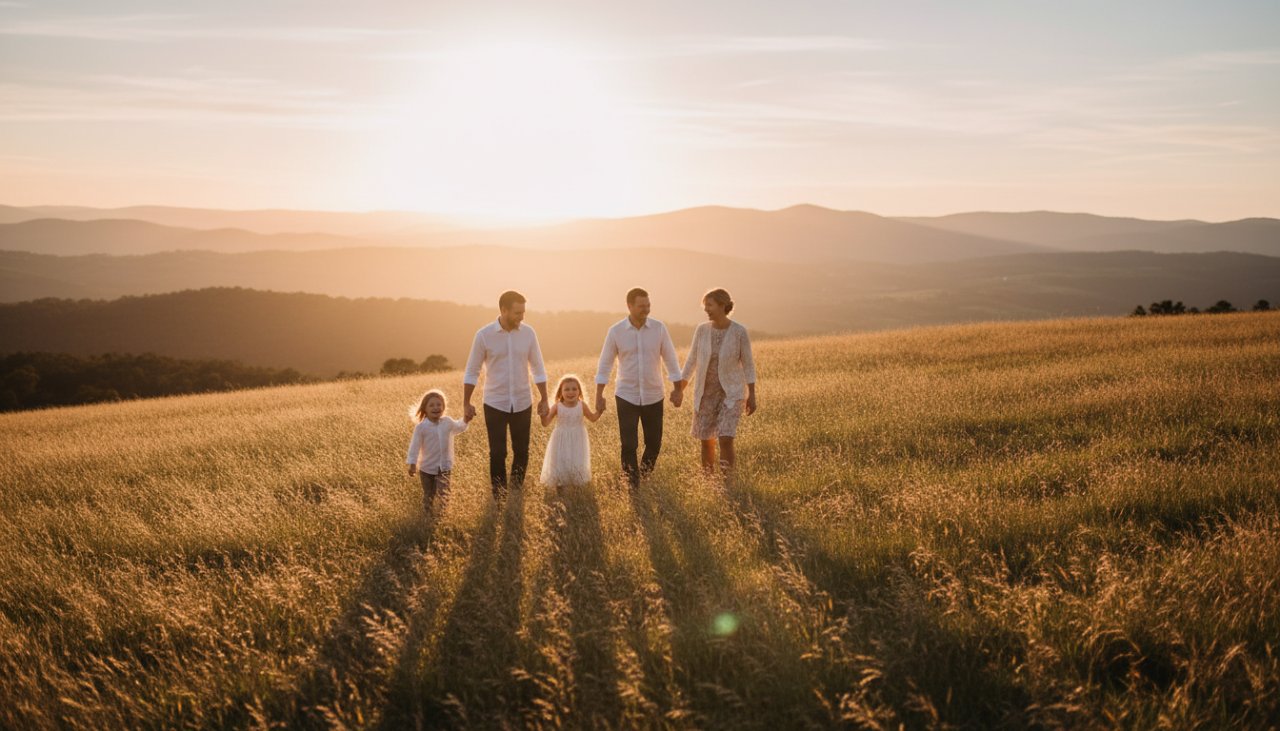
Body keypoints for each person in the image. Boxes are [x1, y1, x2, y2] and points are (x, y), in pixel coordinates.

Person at [594, 287, 684, 489]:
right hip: (626, 395)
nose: (646, 310)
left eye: (648, 305)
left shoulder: (659, 329)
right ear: (630, 306)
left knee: (654, 443)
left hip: (654, 394)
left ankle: (643, 475)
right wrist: (599, 395)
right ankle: (632, 486)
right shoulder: (616, 331)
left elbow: (671, 359)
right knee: (629, 444)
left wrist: (678, 389)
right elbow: (605, 364)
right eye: (642, 306)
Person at [463, 290, 549, 498]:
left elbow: (538, 367)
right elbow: (472, 370)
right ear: (503, 310)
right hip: (495, 402)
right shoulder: (484, 335)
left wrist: (544, 398)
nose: (522, 317)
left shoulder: (529, 334)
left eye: (523, 313)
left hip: (522, 401)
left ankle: (516, 492)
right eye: (517, 313)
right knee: (498, 452)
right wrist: (466, 402)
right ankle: (499, 496)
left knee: (522, 451)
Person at [679, 288, 757, 477]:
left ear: (723, 306)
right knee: (706, 440)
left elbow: (748, 364)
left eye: (710, 305)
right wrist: (679, 388)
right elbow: (691, 361)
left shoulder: (739, 332)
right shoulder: (702, 330)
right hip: (705, 393)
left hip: (731, 394)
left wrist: (752, 394)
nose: (706, 309)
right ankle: (708, 480)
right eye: (705, 305)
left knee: (725, 438)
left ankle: (727, 480)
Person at [406, 388, 472, 514]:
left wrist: (466, 420)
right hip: (426, 469)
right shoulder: (421, 427)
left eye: (439, 404)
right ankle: (428, 516)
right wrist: (412, 464)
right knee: (429, 495)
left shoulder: (447, 422)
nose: (436, 407)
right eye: (431, 405)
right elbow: (414, 446)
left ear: (443, 407)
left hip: (444, 467)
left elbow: (459, 427)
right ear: (424, 408)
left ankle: (443, 516)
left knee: (444, 494)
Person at [538, 374, 601, 488]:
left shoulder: (582, 405)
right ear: (560, 392)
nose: (570, 392)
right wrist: (542, 416)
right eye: (566, 389)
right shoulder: (557, 406)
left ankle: (576, 487)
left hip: (578, 438)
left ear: (579, 392)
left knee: (577, 460)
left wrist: (600, 411)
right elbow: (545, 423)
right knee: (561, 461)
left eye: (574, 389)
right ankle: (560, 486)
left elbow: (592, 418)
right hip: (560, 439)